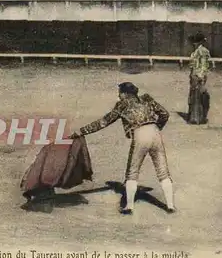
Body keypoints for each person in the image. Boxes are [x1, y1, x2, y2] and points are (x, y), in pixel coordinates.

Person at [71, 82, 176, 215]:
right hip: (155, 132)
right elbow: (165, 114)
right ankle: (170, 206)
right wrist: (158, 127)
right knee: (163, 171)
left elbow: (103, 122)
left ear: (125, 94)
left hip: (139, 134)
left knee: (132, 172)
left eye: (120, 92)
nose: (118, 95)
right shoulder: (147, 98)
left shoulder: (122, 105)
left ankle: (129, 207)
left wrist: (81, 132)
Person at [187, 33, 211, 125]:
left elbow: (204, 65)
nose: (194, 43)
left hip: (199, 76)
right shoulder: (196, 51)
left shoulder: (203, 51)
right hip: (194, 75)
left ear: (200, 42)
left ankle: (199, 118)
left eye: (196, 41)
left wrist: (201, 77)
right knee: (194, 96)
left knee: (199, 96)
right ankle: (195, 118)